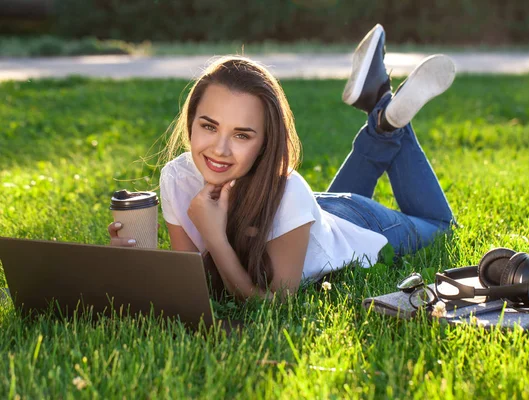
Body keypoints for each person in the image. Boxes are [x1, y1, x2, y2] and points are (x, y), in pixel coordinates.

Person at [108, 24, 455, 300]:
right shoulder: (177, 176)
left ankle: (386, 117)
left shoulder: (288, 192)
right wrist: (133, 264)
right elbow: (193, 281)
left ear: (266, 142)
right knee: (317, 217)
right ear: (190, 122)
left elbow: (273, 304)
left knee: (439, 225)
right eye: (209, 126)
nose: (220, 150)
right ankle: (382, 113)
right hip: (312, 219)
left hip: (362, 226)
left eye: (242, 135)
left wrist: (215, 236)